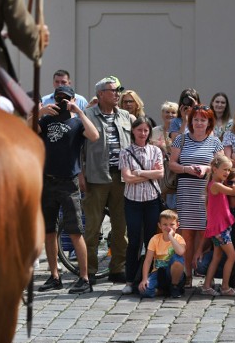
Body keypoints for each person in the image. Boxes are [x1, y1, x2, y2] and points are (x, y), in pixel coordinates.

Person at [38, 85, 99, 294]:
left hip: (68, 182)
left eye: (66, 98)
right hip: (47, 181)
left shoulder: (76, 122)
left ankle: (84, 277)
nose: (62, 101)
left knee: (75, 231)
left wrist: (79, 111)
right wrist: (39, 112)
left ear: (73, 99)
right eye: (58, 98)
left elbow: (94, 136)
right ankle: (54, 276)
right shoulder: (46, 120)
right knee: (49, 231)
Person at [81, 76, 132, 283]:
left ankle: (117, 268)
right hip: (95, 177)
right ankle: (89, 270)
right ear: (100, 94)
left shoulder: (126, 116)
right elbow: (77, 148)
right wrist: (80, 174)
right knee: (93, 228)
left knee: (121, 226)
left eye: (119, 90)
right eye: (113, 90)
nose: (117, 93)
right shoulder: (87, 115)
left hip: (121, 177)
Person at [169, 104, 224, 287]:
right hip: (186, 190)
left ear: (209, 122)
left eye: (203, 119)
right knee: (187, 234)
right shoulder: (181, 140)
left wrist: (207, 168)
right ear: (190, 121)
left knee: (203, 232)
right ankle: (187, 274)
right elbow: (172, 164)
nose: (199, 123)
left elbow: (223, 166)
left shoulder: (215, 142)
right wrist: (187, 168)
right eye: (196, 119)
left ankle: (200, 269)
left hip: (206, 192)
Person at [196, 168, 235, 297]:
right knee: (205, 263)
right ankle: (223, 286)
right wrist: (199, 250)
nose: (233, 186)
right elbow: (209, 225)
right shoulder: (220, 195)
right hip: (222, 234)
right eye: (230, 183)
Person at [120, 116, 164, 295]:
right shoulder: (126, 152)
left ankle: (149, 278)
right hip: (133, 202)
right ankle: (130, 279)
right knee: (134, 241)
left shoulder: (155, 150)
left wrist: (140, 172)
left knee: (151, 240)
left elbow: (160, 173)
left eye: (146, 130)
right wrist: (149, 174)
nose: (143, 133)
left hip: (152, 201)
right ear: (133, 131)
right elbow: (127, 178)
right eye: (140, 130)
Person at [201, 154, 235, 297]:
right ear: (214, 169)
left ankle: (206, 286)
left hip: (218, 227)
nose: (227, 173)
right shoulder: (216, 185)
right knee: (232, 256)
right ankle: (225, 287)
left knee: (217, 256)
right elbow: (234, 191)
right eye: (225, 169)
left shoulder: (216, 184)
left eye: (229, 170)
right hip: (220, 229)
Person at [137, 209, 186, 298]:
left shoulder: (179, 238)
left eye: (172, 224)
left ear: (177, 225)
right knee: (144, 291)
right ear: (159, 225)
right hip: (158, 272)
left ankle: (174, 286)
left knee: (177, 258)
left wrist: (171, 237)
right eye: (165, 224)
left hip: (172, 273)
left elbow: (181, 252)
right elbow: (148, 260)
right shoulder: (155, 239)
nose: (168, 227)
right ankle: (164, 291)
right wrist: (144, 279)